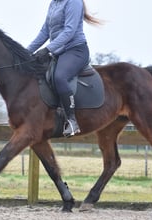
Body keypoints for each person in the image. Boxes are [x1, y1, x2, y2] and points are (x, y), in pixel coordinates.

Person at [27, 0, 100, 137]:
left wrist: (48, 49)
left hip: (76, 50)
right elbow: (45, 31)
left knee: (59, 77)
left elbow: (69, 31)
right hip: (58, 52)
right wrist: (25, 53)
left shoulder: (73, 2)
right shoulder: (53, 3)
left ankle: (72, 121)